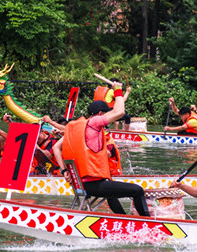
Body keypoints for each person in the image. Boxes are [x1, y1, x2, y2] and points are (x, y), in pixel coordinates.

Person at [53, 81, 150, 216]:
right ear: (100, 114)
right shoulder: (94, 122)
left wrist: (64, 170)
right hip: (94, 185)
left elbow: (56, 148)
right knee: (138, 190)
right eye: (106, 115)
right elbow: (120, 111)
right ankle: (148, 223)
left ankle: (123, 219)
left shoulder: (73, 126)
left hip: (79, 185)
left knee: (111, 190)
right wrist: (118, 90)